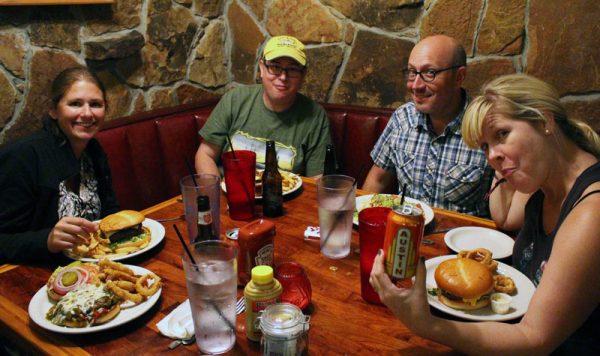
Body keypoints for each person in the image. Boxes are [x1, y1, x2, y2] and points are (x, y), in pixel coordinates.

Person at [370, 74, 600, 354]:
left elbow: (535, 339)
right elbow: (505, 217)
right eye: (485, 147)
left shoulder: (591, 212)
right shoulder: (542, 183)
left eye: (502, 134)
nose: (492, 156)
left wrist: (425, 324)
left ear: (545, 121)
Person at [363, 35, 493, 217]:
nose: (415, 85)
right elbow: (378, 179)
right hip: (404, 231)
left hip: (462, 242)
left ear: (459, 77)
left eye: (429, 73)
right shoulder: (403, 118)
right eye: (411, 72)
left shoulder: (486, 127)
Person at [0, 67, 119, 264]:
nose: (87, 113)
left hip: (96, 264)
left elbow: (109, 210)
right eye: (75, 104)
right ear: (54, 110)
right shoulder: (24, 156)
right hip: (37, 273)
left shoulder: (94, 150)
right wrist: (46, 240)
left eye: (96, 104)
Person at [195, 35, 331, 177]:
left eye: (292, 70)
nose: (283, 77)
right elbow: (205, 155)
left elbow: (317, 180)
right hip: (231, 194)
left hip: (284, 197)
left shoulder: (316, 116)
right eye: (275, 67)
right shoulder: (235, 99)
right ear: (262, 68)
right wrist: (217, 196)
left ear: (303, 75)